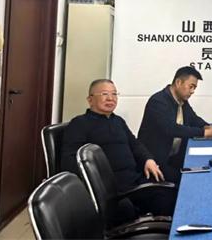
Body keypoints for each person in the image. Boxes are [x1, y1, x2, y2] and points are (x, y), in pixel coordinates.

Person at [61, 79, 172, 223]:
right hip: (111, 188)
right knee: (162, 199)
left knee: (173, 186)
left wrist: (148, 159)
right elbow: (69, 161)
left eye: (114, 94)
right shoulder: (79, 124)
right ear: (90, 100)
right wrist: (96, 184)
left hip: (133, 180)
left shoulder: (118, 121)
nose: (110, 98)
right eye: (104, 94)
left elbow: (135, 144)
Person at [138, 66, 212, 186]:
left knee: (202, 171)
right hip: (156, 162)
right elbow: (171, 129)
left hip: (174, 158)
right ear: (178, 82)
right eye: (191, 86)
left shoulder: (181, 101)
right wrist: (204, 133)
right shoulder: (158, 101)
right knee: (191, 182)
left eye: (194, 88)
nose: (192, 91)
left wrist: (207, 126)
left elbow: (193, 118)